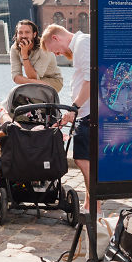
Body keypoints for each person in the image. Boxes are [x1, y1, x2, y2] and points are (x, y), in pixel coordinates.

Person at [41, 23, 92, 210]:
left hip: (88, 111)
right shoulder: (81, 45)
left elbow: (90, 79)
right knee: (84, 158)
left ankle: (94, 204)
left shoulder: (81, 44)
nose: (56, 54)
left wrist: (74, 108)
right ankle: (91, 202)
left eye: (54, 50)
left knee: (83, 159)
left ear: (55, 38)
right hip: (84, 111)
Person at [10, 19, 63, 93]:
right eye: (20, 33)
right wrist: (35, 82)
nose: (23, 36)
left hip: (53, 80)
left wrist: (24, 54)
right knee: (16, 96)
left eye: (27, 32)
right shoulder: (14, 48)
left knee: (30, 93)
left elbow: (34, 76)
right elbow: (16, 77)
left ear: (34, 34)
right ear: (16, 35)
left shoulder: (44, 48)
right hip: (35, 82)